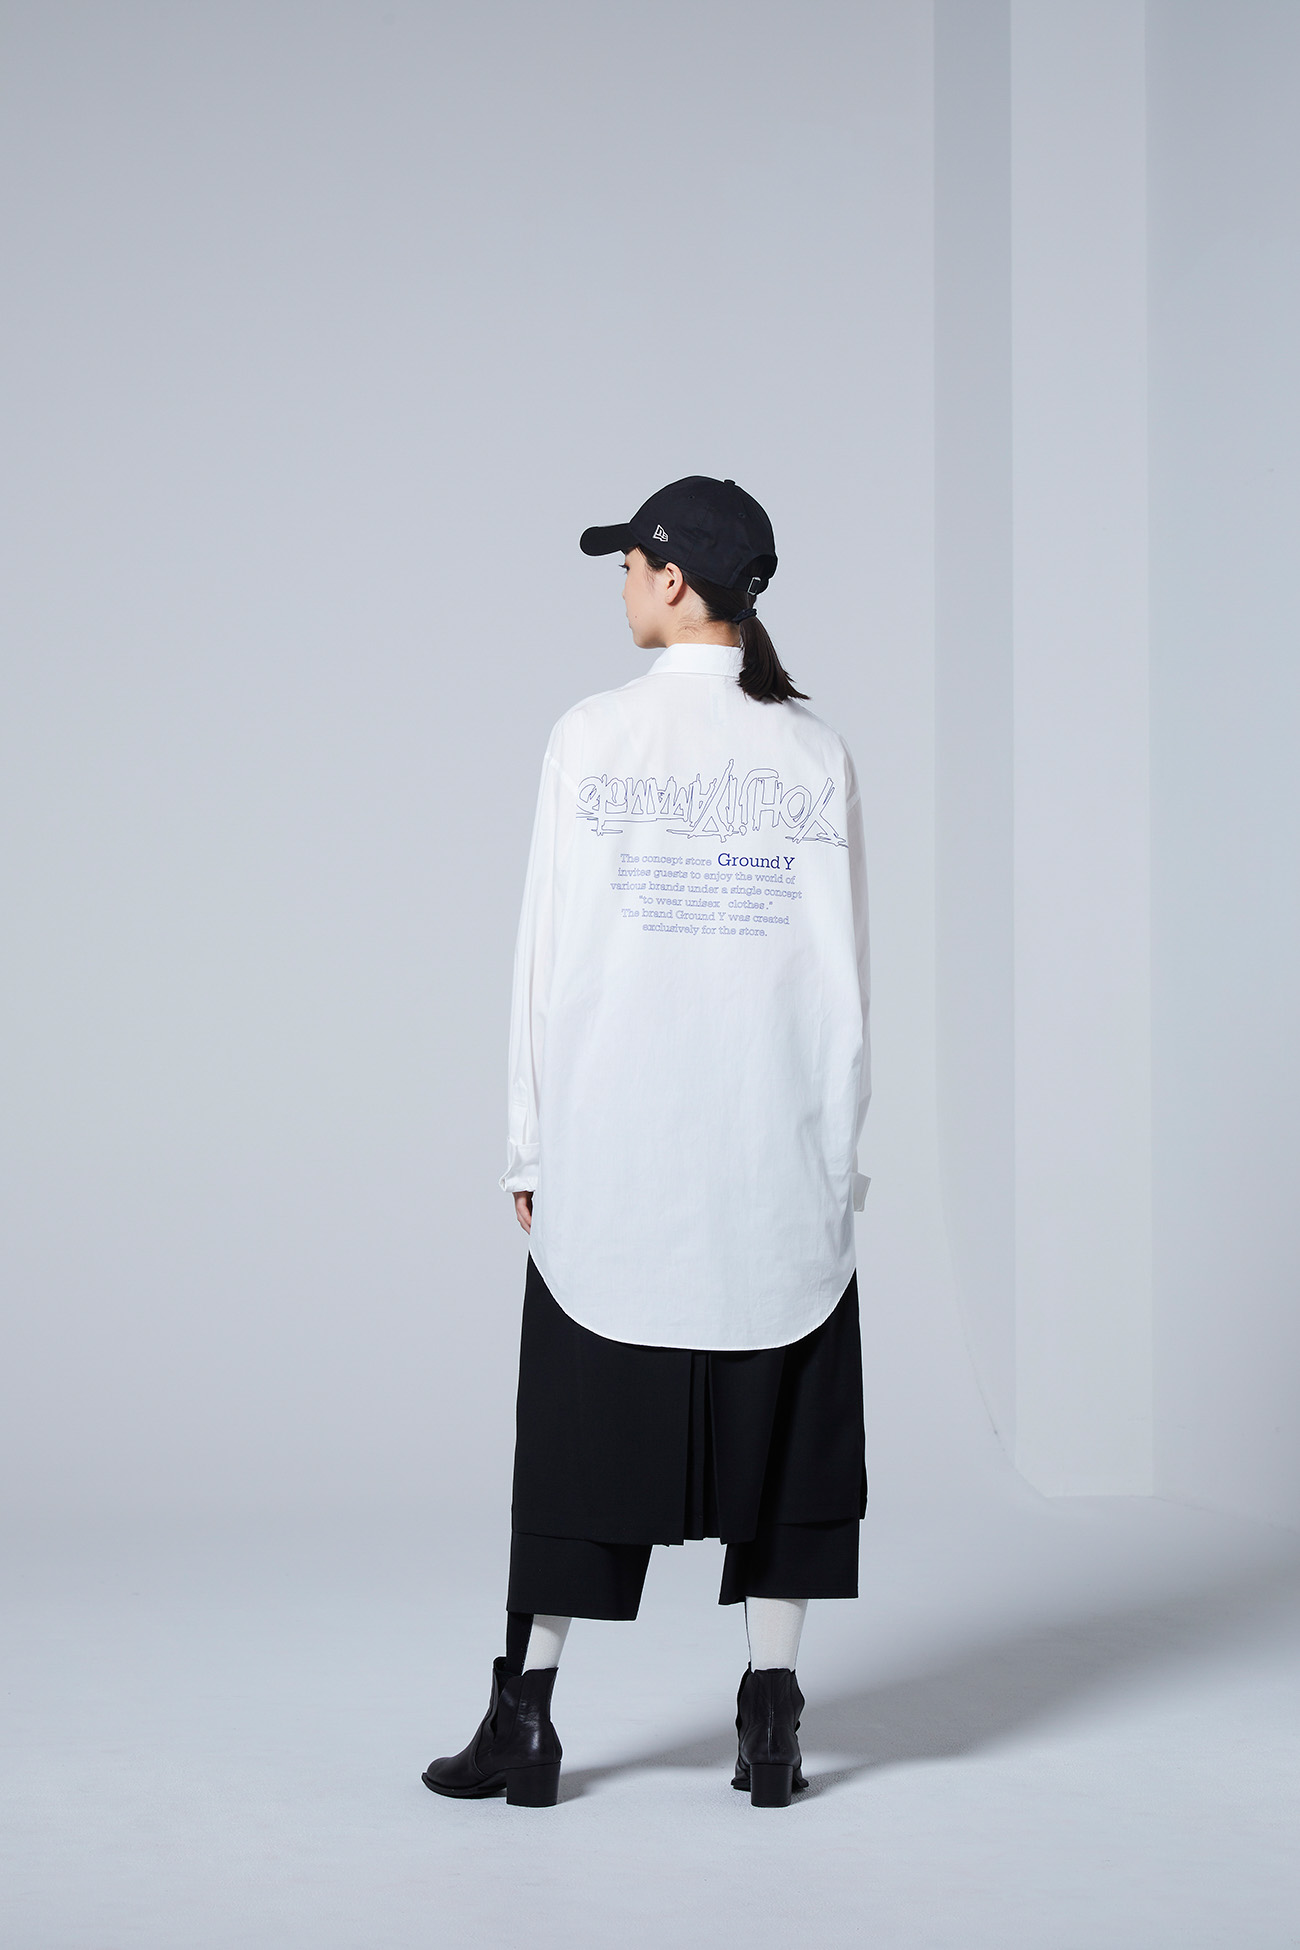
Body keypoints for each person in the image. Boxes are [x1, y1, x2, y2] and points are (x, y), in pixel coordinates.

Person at [422, 475, 871, 1809]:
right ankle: (772, 1718)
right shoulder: (815, 753)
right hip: (773, 1160)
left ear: (673, 580)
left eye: (627, 564)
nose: (620, 584)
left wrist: (527, 1145)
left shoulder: (591, 736)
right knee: (787, 1451)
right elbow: (845, 984)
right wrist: (840, 1162)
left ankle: (526, 1719)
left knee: (575, 1447)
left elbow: (542, 961)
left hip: (617, 1154)